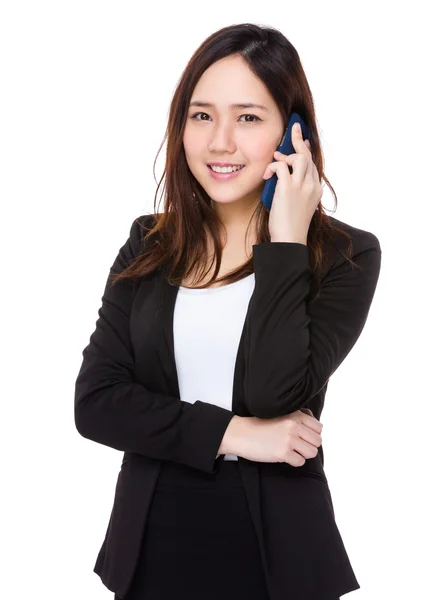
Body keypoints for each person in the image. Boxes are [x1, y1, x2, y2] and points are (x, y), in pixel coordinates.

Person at [74, 23, 381, 600]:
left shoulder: (346, 256)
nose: (219, 143)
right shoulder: (149, 243)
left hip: (279, 563)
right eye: (201, 115)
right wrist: (237, 434)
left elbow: (275, 393)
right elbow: (96, 405)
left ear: (294, 134)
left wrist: (285, 241)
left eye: (247, 117)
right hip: (150, 551)